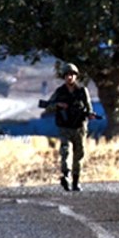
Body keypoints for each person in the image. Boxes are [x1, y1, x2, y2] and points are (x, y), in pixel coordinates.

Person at [44, 62, 97, 192]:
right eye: (67, 75)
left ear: (76, 76)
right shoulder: (60, 92)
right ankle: (66, 175)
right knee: (65, 151)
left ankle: (76, 181)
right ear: (64, 77)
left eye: (72, 75)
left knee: (79, 154)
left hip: (79, 127)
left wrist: (90, 114)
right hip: (65, 127)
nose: (69, 77)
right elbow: (47, 106)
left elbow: (89, 107)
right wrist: (58, 106)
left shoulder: (82, 91)